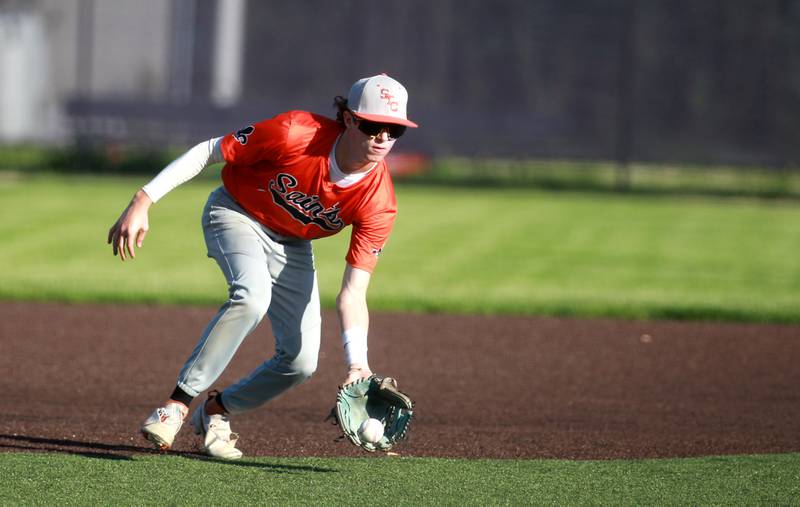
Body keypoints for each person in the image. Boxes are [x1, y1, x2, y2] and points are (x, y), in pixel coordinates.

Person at [107, 74, 418, 459]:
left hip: (293, 243)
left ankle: (218, 411)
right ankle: (176, 405)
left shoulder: (379, 202)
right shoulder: (294, 133)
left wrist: (359, 365)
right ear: (350, 119)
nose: (383, 138)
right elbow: (209, 151)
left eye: (395, 131)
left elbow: (353, 292)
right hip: (236, 212)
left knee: (301, 361)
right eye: (373, 125)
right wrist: (143, 199)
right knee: (252, 297)